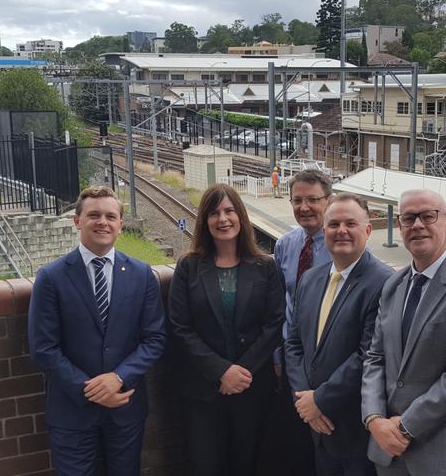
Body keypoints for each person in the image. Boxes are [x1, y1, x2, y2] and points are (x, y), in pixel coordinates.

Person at [361, 189, 446, 476]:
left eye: (428, 216)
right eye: (408, 218)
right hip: (387, 451)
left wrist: (404, 426)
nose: (418, 225)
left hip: (440, 454)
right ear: (399, 226)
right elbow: (375, 357)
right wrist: (374, 418)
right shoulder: (393, 285)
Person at [28, 186, 166, 476]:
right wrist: (90, 390)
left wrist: (118, 378)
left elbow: (154, 340)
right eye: (94, 215)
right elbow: (44, 348)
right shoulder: (51, 278)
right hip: (71, 413)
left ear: (119, 224)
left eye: (110, 216)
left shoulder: (142, 275)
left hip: (125, 408)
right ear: (77, 221)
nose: (103, 222)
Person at [168, 183, 285, 476]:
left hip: (252, 388)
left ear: (241, 217)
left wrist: (241, 372)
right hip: (203, 391)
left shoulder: (264, 267)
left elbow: (274, 324)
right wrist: (221, 371)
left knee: (248, 464)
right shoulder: (188, 267)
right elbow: (180, 328)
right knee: (206, 465)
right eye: (214, 212)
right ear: (204, 221)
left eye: (229, 211)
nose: (223, 219)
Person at [285, 193, 394, 476]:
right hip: (316, 425)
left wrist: (320, 400)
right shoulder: (310, 279)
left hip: (355, 427)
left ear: (368, 230)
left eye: (350, 223)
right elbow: (294, 344)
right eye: (333, 224)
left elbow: (368, 354)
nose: (341, 231)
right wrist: (304, 400)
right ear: (324, 231)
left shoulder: (384, 283)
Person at [268, 169, 334, 475]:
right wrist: (278, 355)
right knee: (292, 444)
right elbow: (281, 305)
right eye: (297, 200)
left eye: (312, 199)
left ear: (329, 201)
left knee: (324, 443)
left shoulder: (342, 246)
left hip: (327, 364)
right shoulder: (286, 244)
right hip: (290, 361)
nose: (304, 207)